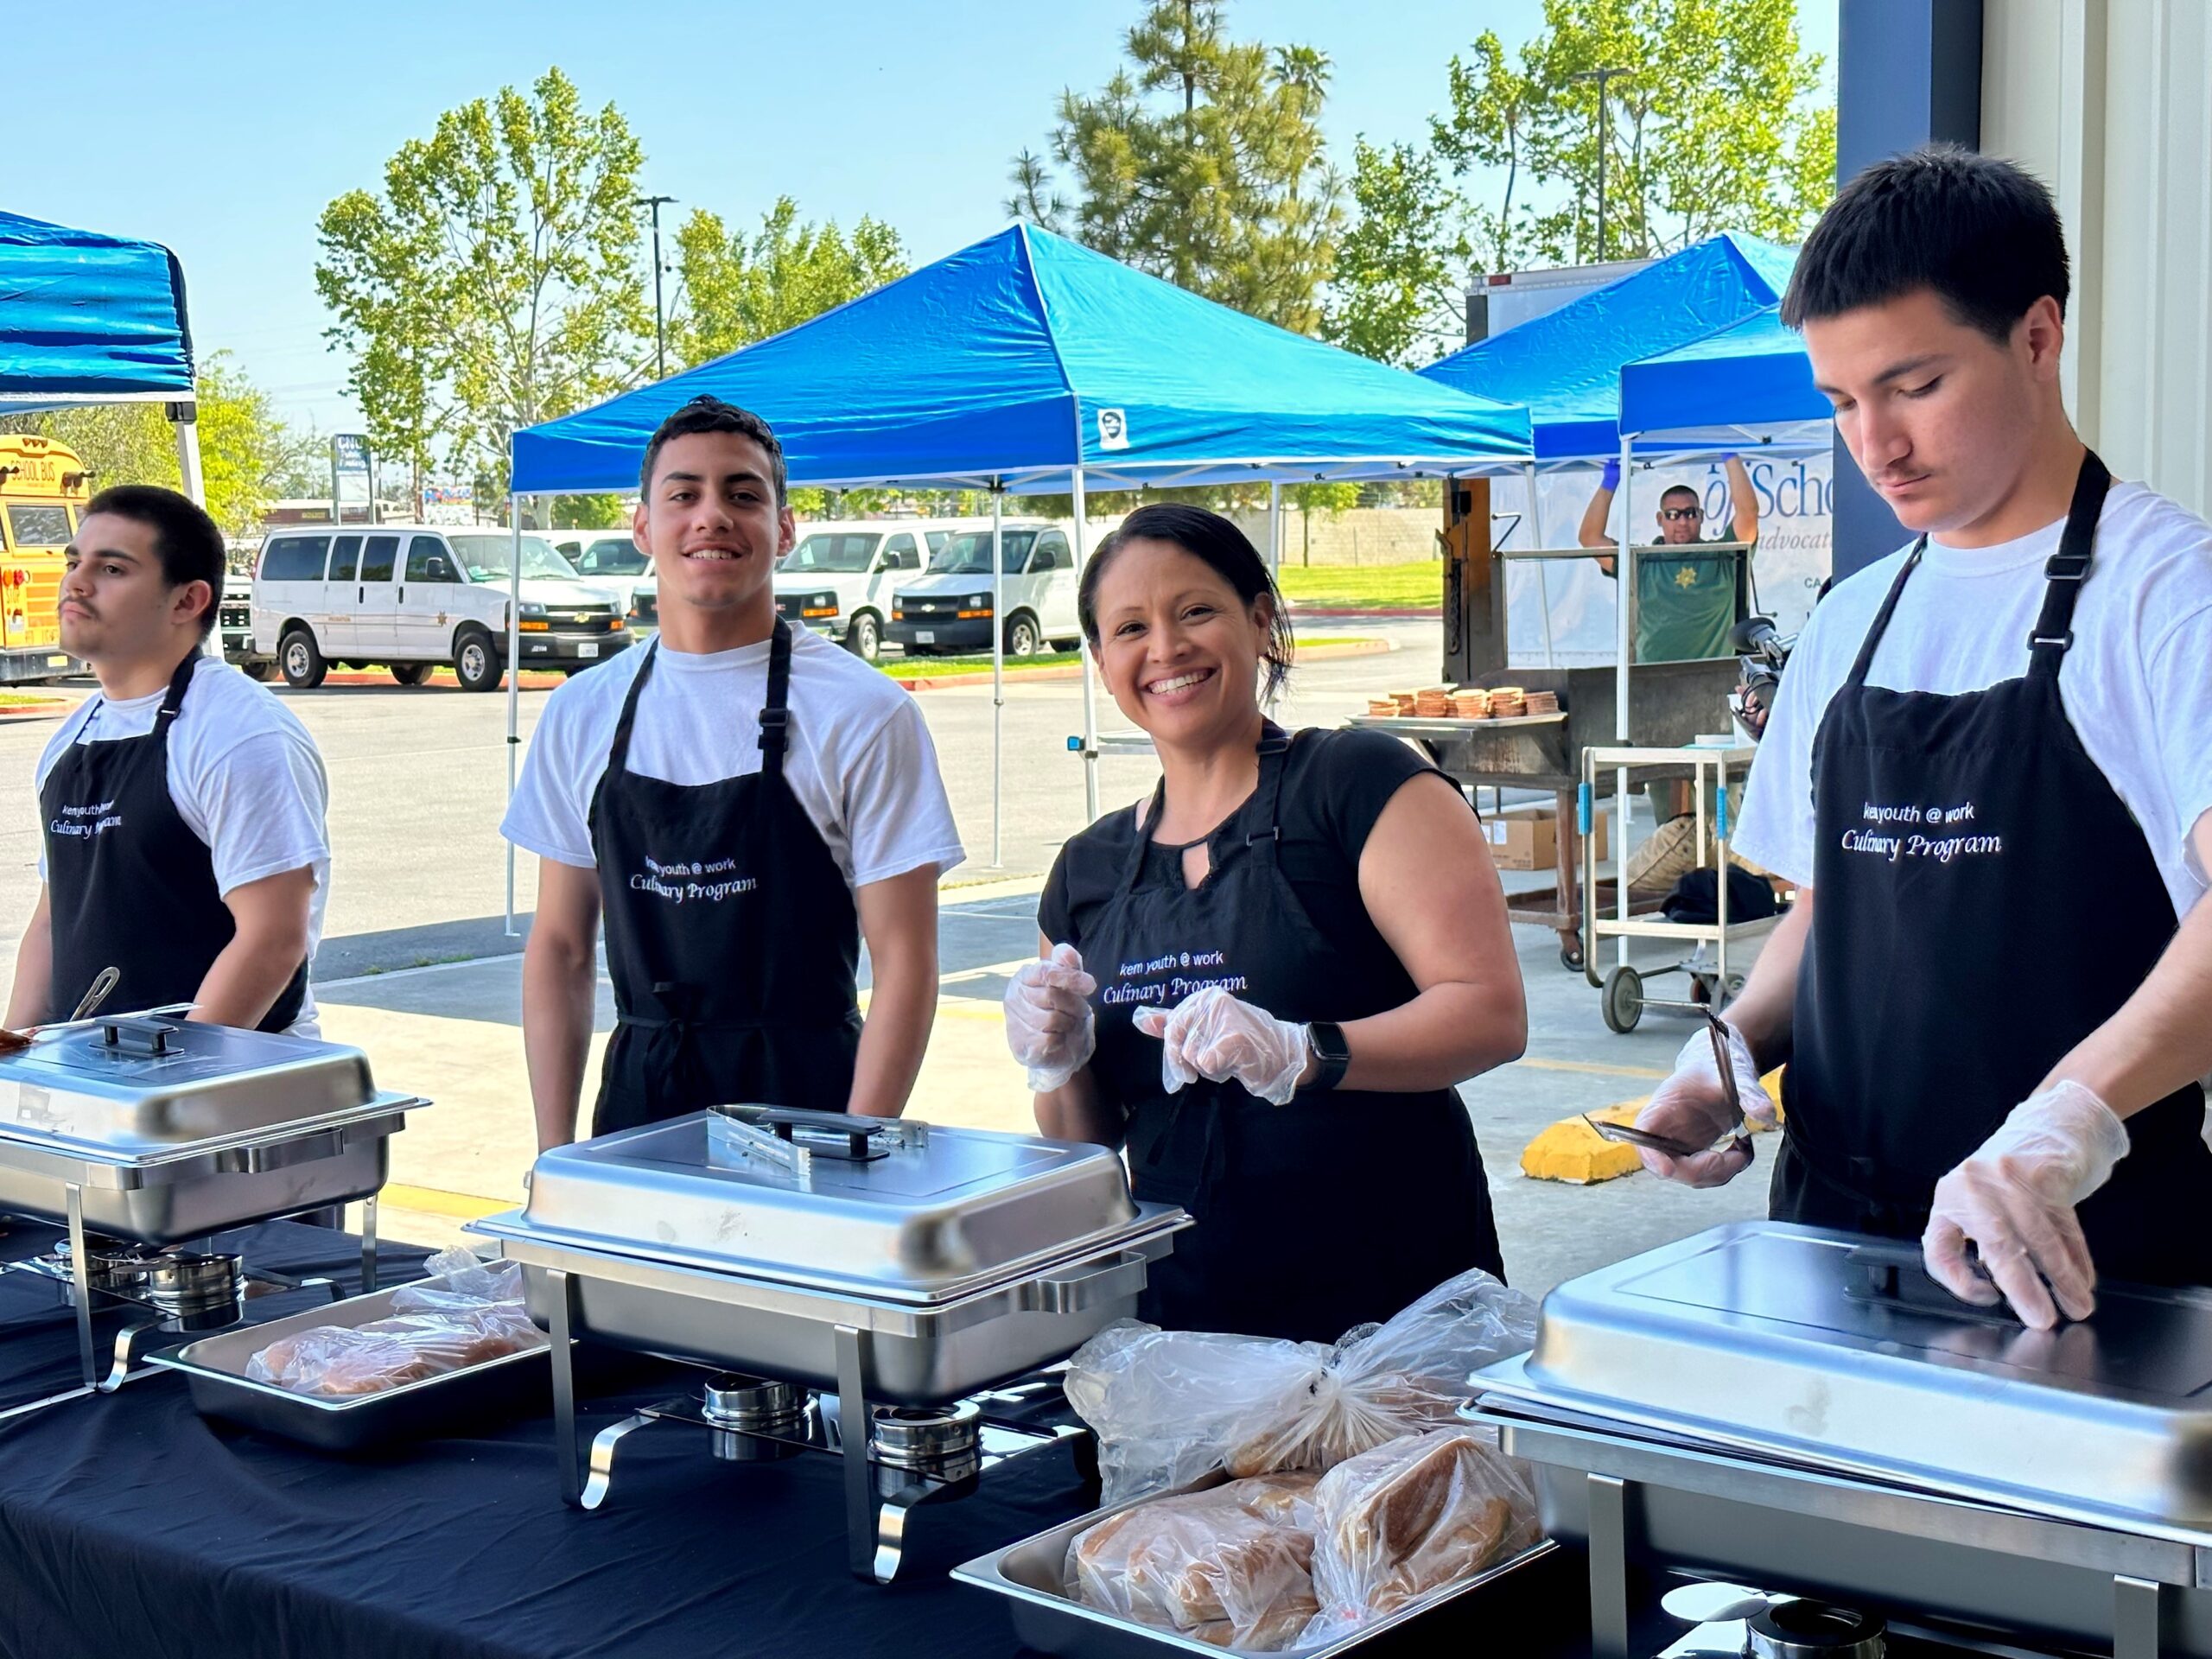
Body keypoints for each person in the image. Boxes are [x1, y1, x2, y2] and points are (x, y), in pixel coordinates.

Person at [1634, 146, 2212, 1332]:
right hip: (1835, 1252)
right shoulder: (1854, 616)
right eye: (1842, 402)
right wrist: (1730, 1053)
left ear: (2038, 337)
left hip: (2084, 1271)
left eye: (1915, 386)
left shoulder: (2166, 592)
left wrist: (2064, 1127)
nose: (1875, 443)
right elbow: (1830, 908)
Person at [1003, 505, 1527, 1343]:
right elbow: (1089, 1137)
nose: (1165, 648)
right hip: (1189, 1338)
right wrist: (1054, 1062)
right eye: (1130, 627)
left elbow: (1489, 1015)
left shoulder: (1357, 783)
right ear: (1100, 661)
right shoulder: (1087, 872)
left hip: (1395, 1325)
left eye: (1195, 611)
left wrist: (1301, 1052)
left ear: (1258, 621)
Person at [505, 397, 963, 1147]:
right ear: (643, 528)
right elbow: (560, 946)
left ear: (784, 529)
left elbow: (906, 961)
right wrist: (555, 1157)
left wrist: (854, 1149)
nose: (711, 515)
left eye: (743, 494)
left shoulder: (865, 712)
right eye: (683, 494)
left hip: (812, 1110)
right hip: (639, 1109)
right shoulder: (581, 711)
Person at [7, 486, 330, 1036]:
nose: (76, 583)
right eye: (74, 561)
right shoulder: (71, 739)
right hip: (92, 1082)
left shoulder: (238, 733)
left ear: (187, 601)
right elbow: (53, 919)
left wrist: (170, 1083)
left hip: (228, 1089)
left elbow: (273, 938)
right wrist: (14, 1059)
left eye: (112, 569)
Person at [1579, 453, 1760, 664]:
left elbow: (1749, 514)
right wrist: (1609, 483)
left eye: (1690, 513)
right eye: (1673, 514)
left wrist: (1730, 455)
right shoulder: (1641, 562)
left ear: (1702, 516)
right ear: (1660, 519)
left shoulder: (1725, 557)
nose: (1682, 521)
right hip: (1651, 680)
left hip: (1716, 677)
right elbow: (1590, 538)